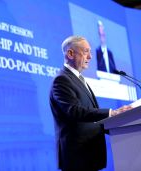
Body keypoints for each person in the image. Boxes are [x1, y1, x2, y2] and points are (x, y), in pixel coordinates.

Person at [49, 35, 132, 171]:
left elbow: (90, 115)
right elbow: (74, 111)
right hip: (77, 156)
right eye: (86, 51)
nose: (90, 57)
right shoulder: (61, 80)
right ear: (70, 53)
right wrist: (112, 113)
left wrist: (118, 126)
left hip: (89, 154)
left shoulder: (79, 79)